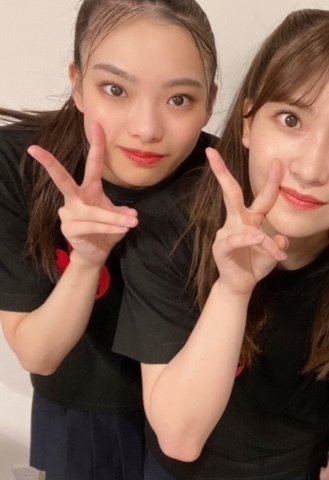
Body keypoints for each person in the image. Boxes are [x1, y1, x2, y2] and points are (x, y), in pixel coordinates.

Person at [112, 8, 329, 480]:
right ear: (248, 123)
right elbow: (179, 437)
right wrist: (233, 290)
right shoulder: (168, 229)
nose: (311, 169)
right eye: (291, 119)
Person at [0, 1, 217, 479]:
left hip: (205, 413)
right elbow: (38, 354)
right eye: (115, 89)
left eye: (179, 99)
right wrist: (86, 261)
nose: (146, 129)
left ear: (211, 101)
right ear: (78, 84)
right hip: (81, 412)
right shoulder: (21, 165)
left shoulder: (226, 185)